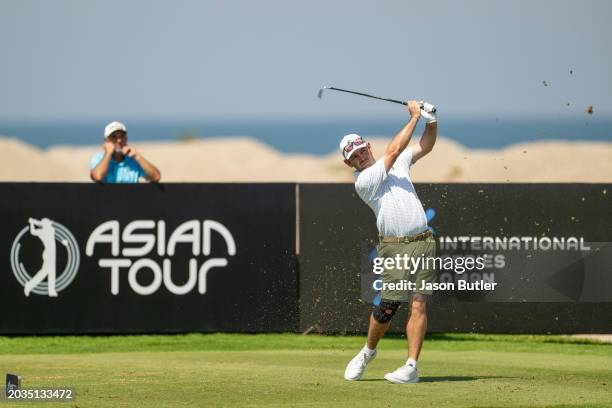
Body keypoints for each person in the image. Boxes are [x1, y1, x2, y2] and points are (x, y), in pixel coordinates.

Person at [342, 100, 438, 384]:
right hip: (394, 246)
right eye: (354, 157)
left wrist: (431, 121)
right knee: (388, 307)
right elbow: (394, 150)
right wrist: (413, 117)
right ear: (349, 163)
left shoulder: (399, 165)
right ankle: (368, 351)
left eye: (362, 151)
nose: (360, 158)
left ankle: (411, 367)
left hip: (424, 242)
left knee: (419, 303)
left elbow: (426, 146)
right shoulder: (364, 181)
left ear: (368, 147)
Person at [90, 121, 161, 183]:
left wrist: (137, 156)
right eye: (114, 137)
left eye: (122, 136)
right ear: (106, 140)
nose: (119, 141)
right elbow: (98, 177)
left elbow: (156, 177)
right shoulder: (99, 158)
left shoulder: (133, 160)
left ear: (126, 139)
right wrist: (108, 153)